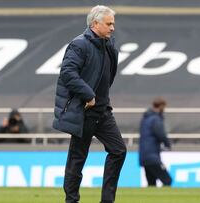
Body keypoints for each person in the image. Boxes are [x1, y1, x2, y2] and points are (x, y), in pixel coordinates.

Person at [52, 5, 126, 203]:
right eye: (108, 24)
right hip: (84, 111)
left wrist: (101, 99)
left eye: (113, 24)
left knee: (119, 150)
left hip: (103, 111)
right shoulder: (79, 45)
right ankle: (72, 200)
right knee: (77, 159)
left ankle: (107, 200)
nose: (112, 28)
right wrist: (88, 95)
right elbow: (67, 73)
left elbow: (107, 77)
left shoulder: (109, 46)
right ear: (95, 24)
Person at [139, 97, 172, 187]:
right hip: (152, 157)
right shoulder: (156, 119)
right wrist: (168, 144)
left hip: (144, 156)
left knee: (151, 184)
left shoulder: (145, 118)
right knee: (167, 180)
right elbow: (161, 134)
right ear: (161, 106)